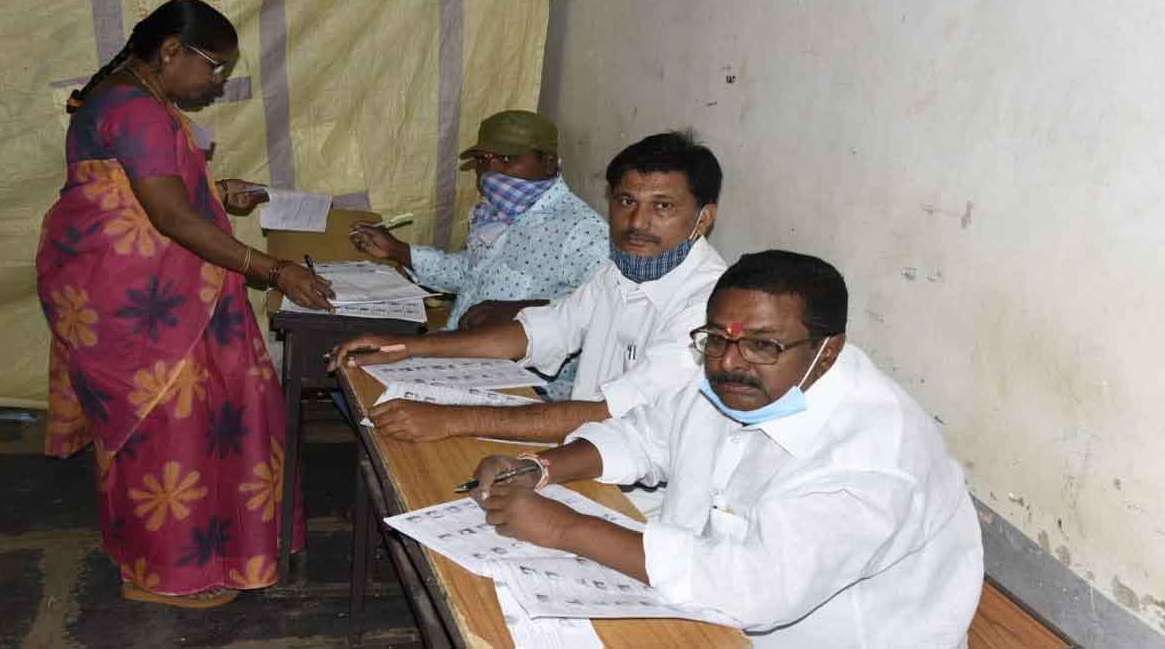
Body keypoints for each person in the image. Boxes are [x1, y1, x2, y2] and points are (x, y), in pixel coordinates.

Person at [470, 251, 984, 648]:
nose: (729, 363)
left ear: (827, 353)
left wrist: (565, 527)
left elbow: (757, 590)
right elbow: (649, 433)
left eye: (763, 345)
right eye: (716, 338)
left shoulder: (871, 459)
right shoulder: (741, 380)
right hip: (702, 610)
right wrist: (539, 467)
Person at [36, 0, 334, 608]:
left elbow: (139, 192)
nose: (216, 82)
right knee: (172, 435)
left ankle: (186, 554)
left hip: (154, 289)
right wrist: (272, 268)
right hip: (150, 302)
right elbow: (169, 217)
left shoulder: (132, 97)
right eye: (213, 67)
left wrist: (218, 193)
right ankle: (166, 575)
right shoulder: (136, 110)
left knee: (189, 429)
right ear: (171, 51)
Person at [331, 131, 726, 512]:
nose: (637, 222)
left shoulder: (709, 308)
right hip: (578, 460)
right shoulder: (624, 268)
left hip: (640, 500)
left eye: (662, 206)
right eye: (626, 201)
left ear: (703, 218)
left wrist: (449, 419)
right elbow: (534, 332)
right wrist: (407, 347)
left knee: (440, 484)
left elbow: (606, 413)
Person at [348, 110, 607, 398]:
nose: (491, 172)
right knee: (357, 371)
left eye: (507, 160)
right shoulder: (493, 212)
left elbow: (600, 310)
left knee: (376, 392)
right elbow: (468, 272)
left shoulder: (583, 232)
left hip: (526, 382)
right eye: (484, 160)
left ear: (547, 163)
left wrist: (521, 310)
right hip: (459, 351)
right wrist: (399, 251)